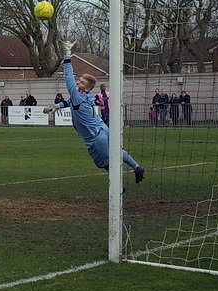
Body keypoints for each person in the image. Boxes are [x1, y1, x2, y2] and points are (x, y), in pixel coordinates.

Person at [43, 38, 144, 185]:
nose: (78, 82)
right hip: (103, 129)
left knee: (105, 164)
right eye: (80, 80)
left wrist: (67, 53)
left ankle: (119, 188)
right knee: (117, 151)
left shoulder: (78, 95)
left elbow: (68, 78)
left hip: (95, 138)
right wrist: (57, 106)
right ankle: (137, 166)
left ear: (88, 88)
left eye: (82, 82)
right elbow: (71, 102)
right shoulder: (85, 96)